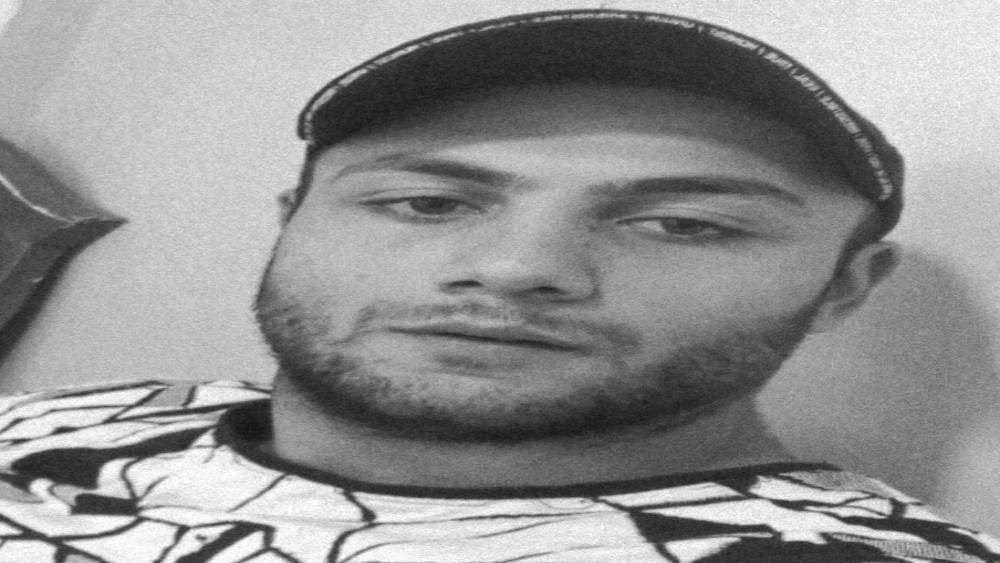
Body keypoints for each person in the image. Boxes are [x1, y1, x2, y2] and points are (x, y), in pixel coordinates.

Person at [0, 8, 996, 562]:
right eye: (426, 202)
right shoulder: (71, 416)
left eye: (684, 223)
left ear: (845, 285)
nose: (519, 268)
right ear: (292, 218)